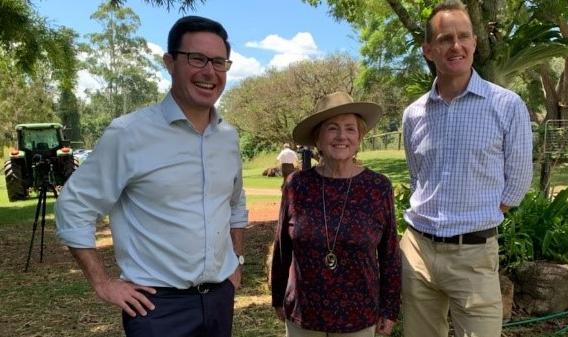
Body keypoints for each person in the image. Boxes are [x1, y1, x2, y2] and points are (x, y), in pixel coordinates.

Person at [55, 16, 247, 337]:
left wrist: (236, 262)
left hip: (218, 299)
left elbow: (235, 204)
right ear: (170, 62)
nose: (209, 72)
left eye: (218, 62)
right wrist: (102, 283)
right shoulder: (128, 134)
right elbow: (73, 208)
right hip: (157, 309)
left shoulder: (227, 136)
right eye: (196, 59)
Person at [400, 1, 533, 337]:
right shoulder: (413, 114)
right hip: (418, 252)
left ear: (474, 42)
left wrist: (478, 216)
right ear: (428, 50)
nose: (455, 45)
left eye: (463, 36)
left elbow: (517, 182)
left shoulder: (506, 105)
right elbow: (418, 177)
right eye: (445, 38)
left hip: (473, 256)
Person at [271, 92, 402, 337]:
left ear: (359, 137)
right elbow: (282, 247)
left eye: (350, 129)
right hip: (304, 313)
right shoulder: (297, 185)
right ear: (317, 139)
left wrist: (390, 307)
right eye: (332, 128)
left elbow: (390, 253)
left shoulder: (377, 187)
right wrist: (278, 296)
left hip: (359, 314)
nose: (342, 136)